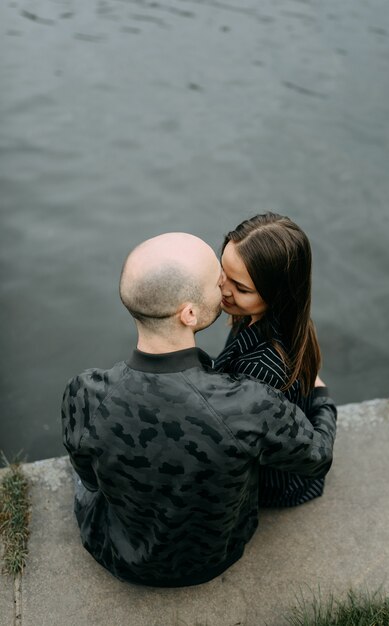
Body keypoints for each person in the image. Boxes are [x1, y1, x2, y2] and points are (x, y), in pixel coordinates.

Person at [61, 232, 337, 588]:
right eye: (217, 279)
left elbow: (89, 477)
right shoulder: (250, 402)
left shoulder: (83, 392)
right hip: (217, 555)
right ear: (189, 313)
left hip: (116, 554)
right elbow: (317, 457)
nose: (224, 287)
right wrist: (322, 398)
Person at [215, 212, 326, 507]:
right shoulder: (287, 320)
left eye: (241, 288)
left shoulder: (260, 370)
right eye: (222, 271)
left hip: (272, 484)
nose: (224, 290)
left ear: (277, 294)